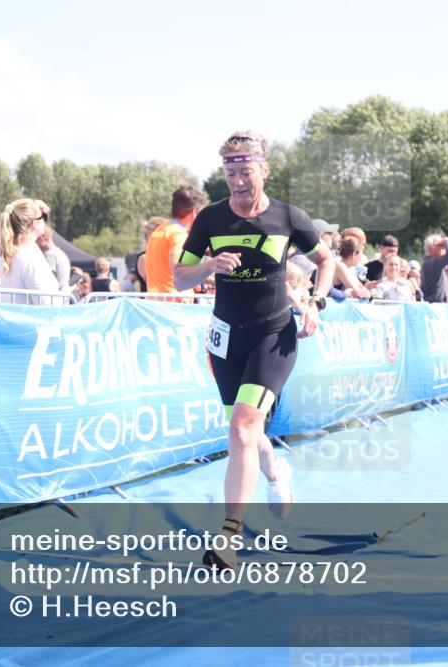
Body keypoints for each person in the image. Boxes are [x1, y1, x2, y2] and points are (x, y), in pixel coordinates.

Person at [172, 130, 335, 570]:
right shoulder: (210, 218)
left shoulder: (288, 217)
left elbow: (326, 260)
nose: (238, 182)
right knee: (247, 430)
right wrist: (208, 264)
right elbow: (180, 278)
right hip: (226, 338)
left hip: (273, 335)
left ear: (264, 169)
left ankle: (228, 537)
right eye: (230, 174)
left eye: (245, 172)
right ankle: (276, 474)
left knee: (243, 427)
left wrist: (316, 303)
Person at [0, 199, 60, 305]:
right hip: (33, 320)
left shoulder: (10, 250)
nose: (45, 222)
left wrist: (34, 206)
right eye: (43, 218)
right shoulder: (30, 257)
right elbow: (48, 303)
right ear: (34, 224)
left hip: (14, 318)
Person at [145, 186, 207, 294]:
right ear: (194, 213)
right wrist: (219, 280)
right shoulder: (178, 234)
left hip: (158, 302)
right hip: (175, 304)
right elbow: (181, 272)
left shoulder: (160, 230)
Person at [35, 211, 71, 292]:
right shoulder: (60, 253)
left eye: (36, 240)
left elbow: (48, 280)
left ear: (41, 239)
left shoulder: (49, 255)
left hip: (54, 299)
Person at [420, 234, 448, 303]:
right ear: (431, 248)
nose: (445, 248)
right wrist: (446, 240)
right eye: (442, 245)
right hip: (434, 307)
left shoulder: (436, 264)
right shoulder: (431, 263)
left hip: (440, 306)